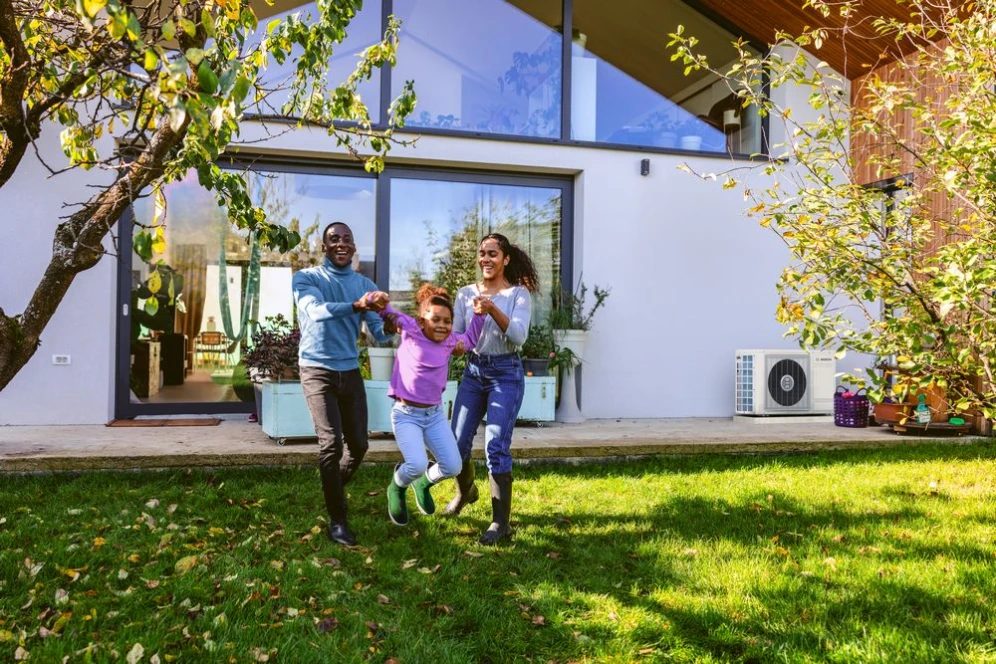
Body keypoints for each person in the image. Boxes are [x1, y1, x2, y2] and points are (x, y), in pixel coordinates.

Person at [292, 222, 392, 547]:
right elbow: (315, 312)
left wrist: (389, 321)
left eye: (347, 239)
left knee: (360, 445)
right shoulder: (307, 279)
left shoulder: (364, 283)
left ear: (353, 246)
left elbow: (378, 333)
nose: (341, 244)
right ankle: (338, 519)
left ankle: (331, 485)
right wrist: (357, 305)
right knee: (331, 445)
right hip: (316, 369)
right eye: (334, 239)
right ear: (324, 246)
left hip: (349, 371)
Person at [446, 233, 539, 545]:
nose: (486, 259)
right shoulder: (464, 294)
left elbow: (518, 336)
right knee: (456, 447)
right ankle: (465, 493)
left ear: (506, 259)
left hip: (506, 374)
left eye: (493, 254)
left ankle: (500, 524)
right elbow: (458, 340)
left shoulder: (518, 295)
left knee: (495, 447)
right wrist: (450, 345)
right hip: (473, 371)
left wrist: (492, 310)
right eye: (482, 254)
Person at [376, 285, 491, 527]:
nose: (442, 325)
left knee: (453, 465)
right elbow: (390, 315)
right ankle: (397, 487)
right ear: (421, 321)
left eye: (447, 321)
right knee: (416, 464)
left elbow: (468, 340)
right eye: (435, 319)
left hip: (434, 415)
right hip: (406, 415)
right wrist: (380, 304)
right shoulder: (410, 330)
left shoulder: (450, 340)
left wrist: (479, 315)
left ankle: (423, 483)